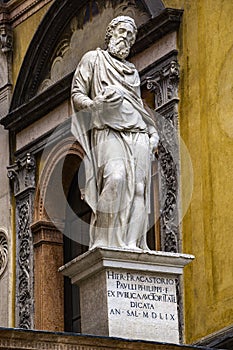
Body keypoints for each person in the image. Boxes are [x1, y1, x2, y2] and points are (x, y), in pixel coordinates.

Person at [71, 16, 159, 250]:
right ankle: (103, 240)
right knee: (116, 178)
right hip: (108, 130)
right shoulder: (93, 59)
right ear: (110, 33)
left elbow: (139, 109)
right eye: (122, 31)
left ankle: (132, 245)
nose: (126, 38)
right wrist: (95, 103)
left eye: (131, 35)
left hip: (138, 133)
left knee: (140, 189)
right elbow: (77, 94)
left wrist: (153, 134)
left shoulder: (132, 72)